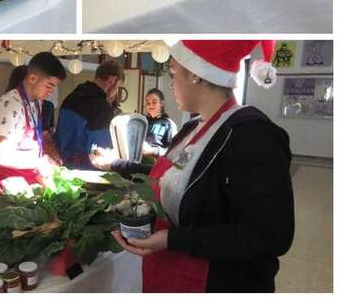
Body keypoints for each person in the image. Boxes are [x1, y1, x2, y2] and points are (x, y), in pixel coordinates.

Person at [111, 40, 294, 292]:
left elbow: (271, 235)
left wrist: (173, 239)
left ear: (196, 75)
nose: (171, 83)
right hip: (168, 271)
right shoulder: (192, 128)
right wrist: (118, 166)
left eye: (173, 72)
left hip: (219, 281)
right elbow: (172, 178)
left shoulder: (252, 136)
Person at [0, 52, 66, 196]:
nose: (51, 92)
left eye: (54, 87)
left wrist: (47, 157)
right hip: (10, 185)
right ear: (32, 78)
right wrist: (39, 161)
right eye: (49, 86)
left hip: (28, 181)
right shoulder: (10, 103)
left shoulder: (36, 102)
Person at [55, 58, 125, 169]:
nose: (115, 92)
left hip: (61, 166)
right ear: (111, 80)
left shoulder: (70, 97)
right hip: (86, 172)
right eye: (117, 87)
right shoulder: (101, 107)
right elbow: (99, 152)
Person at [143, 88, 178, 156]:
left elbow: (173, 150)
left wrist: (154, 151)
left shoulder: (169, 124)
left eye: (154, 102)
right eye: (148, 103)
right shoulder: (142, 122)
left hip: (156, 162)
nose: (150, 105)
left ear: (161, 103)